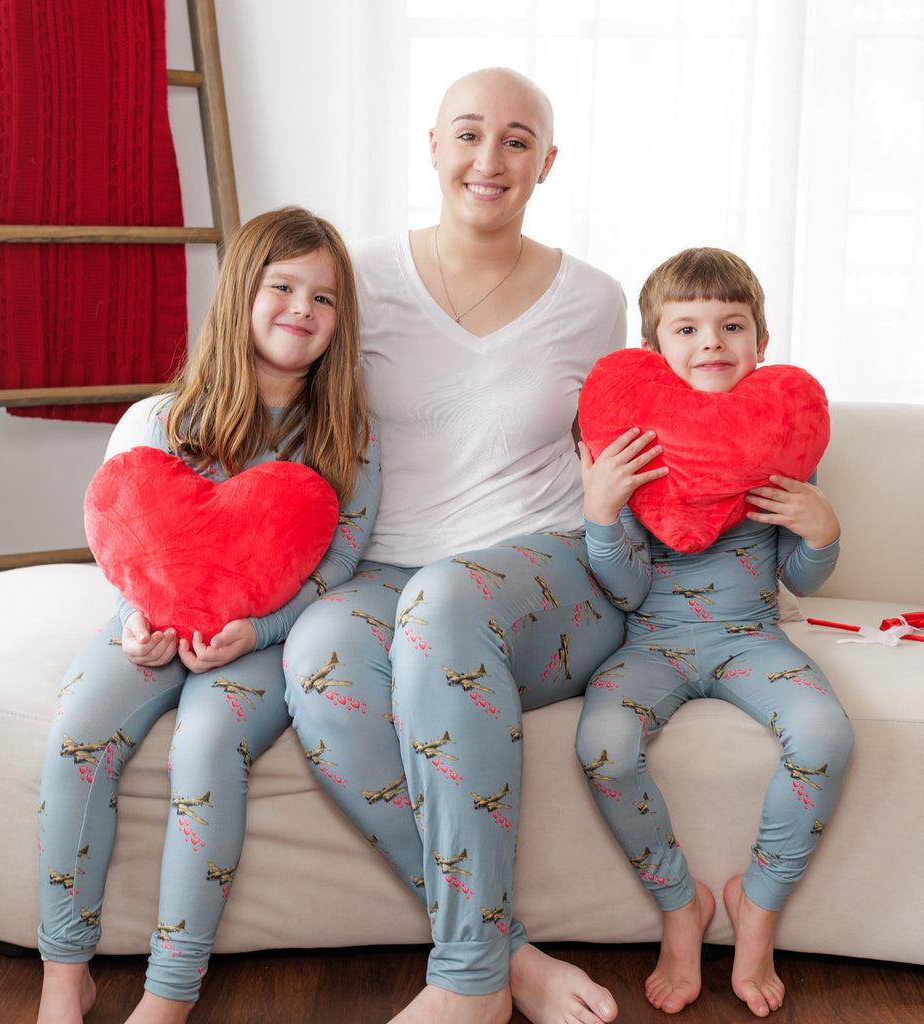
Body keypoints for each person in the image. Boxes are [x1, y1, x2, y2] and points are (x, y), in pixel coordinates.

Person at [282, 68, 627, 1024]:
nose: (490, 158)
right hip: (391, 568)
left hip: (545, 573)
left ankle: (466, 985)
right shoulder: (360, 277)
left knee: (445, 600)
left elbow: (630, 451)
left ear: (546, 163)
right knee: (316, 657)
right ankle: (511, 958)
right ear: (432, 146)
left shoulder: (596, 300)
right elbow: (277, 393)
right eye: (468, 133)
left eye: (518, 141)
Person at [35, 206, 380, 1024]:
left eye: (325, 299)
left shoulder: (348, 440)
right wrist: (134, 620)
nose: (303, 308)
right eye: (283, 286)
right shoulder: (161, 420)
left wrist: (254, 634)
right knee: (79, 730)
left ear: (342, 322)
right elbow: (123, 540)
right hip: (152, 622)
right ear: (240, 297)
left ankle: (169, 991)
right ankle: (62, 970)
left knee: (206, 743)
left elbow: (336, 572)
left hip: (264, 636)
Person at [574, 247, 854, 1018]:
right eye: (688, 327)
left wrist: (822, 530)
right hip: (651, 643)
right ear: (655, 348)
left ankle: (756, 906)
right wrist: (602, 512)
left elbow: (799, 576)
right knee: (602, 745)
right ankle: (679, 901)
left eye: (732, 325)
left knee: (826, 735)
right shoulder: (639, 439)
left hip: (752, 640)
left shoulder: (778, 432)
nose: (712, 343)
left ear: (760, 343)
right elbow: (627, 586)